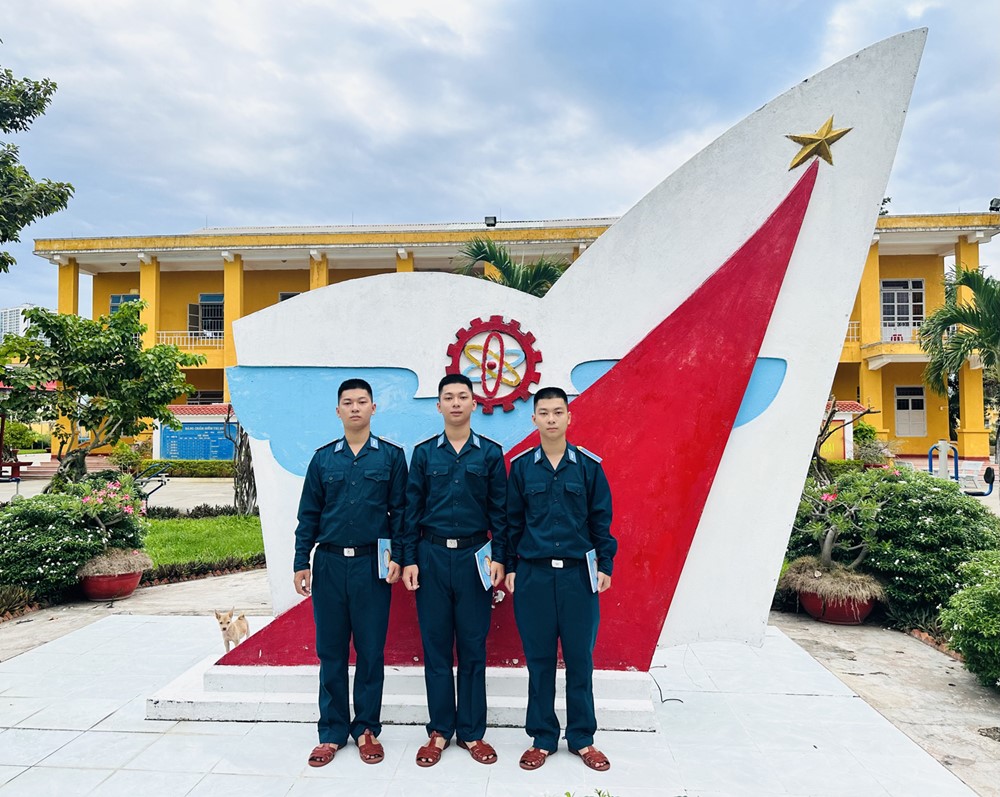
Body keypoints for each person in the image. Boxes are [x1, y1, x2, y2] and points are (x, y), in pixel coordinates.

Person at [293, 378, 407, 768]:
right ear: (338, 411)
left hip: (371, 566)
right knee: (331, 652)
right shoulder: (323, 459)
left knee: (371, 651)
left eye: (362, 402)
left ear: (374, 409)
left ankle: (366, 729)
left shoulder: (391, 458)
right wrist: (299, 562)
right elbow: (307, 515)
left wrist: (400, 556)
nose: (355, 408)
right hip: (328, 565)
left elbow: (402, 514)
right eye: (348, 402)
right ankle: (331, 732)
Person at [505, 386, 617, 773]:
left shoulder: (588, 467)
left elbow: (601, 521)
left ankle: (582, 738)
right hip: (533, 577)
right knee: (538, 661)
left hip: (577, 578)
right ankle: (542, 737)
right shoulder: (520, 469)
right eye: (544, 413)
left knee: (579, 660)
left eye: (558, 412)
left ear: (570, 417)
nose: (551, 419)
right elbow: (510, 523)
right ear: (533, 419)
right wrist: (511, 568)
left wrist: (605, 565)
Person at [400, 373, 508, 767]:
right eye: (449, 397)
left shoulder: (490, 454)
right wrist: (409, 558)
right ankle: (440, 730)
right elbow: (411, 512)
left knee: (474, 648)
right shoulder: (425, 454)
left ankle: (473, 734)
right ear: (439, 405)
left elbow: (502, 513)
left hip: (475, 559)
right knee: (436, 649)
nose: (457, 403)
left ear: (474, 404)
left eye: (464, 396)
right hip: (430, 558)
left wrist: (500, 559)